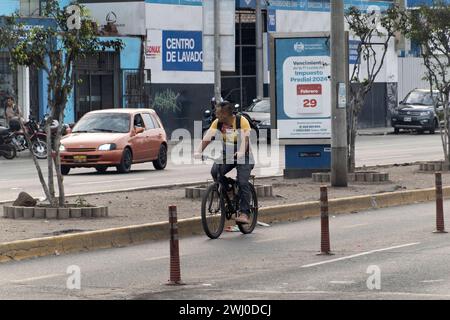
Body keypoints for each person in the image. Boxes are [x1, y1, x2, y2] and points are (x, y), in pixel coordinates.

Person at [195, 100, 254, 224]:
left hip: (244, 155)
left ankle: (245, 213)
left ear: (226, 113)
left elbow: (245, 139)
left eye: (218, 113)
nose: (216, 115)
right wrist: (198, 151)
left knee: (243, 182)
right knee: (215, 171)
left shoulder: (241, 121)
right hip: (227, 155)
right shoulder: (217, 123)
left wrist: (242, 151)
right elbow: (207, 138)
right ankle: (229, 190)